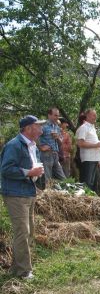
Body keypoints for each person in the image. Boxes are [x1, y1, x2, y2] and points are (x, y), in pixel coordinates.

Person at [0, 115, 46, 279]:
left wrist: (36, 175)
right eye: (38, 126)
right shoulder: (14, 145)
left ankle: (17, 265)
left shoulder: (31, 145)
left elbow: (31, 165)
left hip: (28, 192)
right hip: (15, 194)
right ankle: (24, 271)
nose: (41, 129)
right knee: (22, 232)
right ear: (28, 129)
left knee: (29, 231)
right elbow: (5, 169)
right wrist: (29, 173)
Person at [76, 109, 100, 192]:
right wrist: (96, 145)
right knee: (87, 184)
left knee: (95, 184)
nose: (95, 117)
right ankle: (86, 202)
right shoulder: (83, 128)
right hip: (88, 160)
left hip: (94, 159)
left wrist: (98, 160)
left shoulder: (92, 128)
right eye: (93, 115)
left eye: (96, 115)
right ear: (87, 116)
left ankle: (93, 202)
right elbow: (80, 143)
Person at [37, 107, 66, 184]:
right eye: (55, 115)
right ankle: (47, 194)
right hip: (46, 155)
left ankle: (62, 192)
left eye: (58, 115)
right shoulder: (43, 126)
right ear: (49, 115)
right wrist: (41, 148)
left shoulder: (57, 127)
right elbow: (34, 137)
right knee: (47, 180)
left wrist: (57, 138)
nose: (57, 117)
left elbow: (60, 143)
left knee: (63, 178)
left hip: (55, 154)